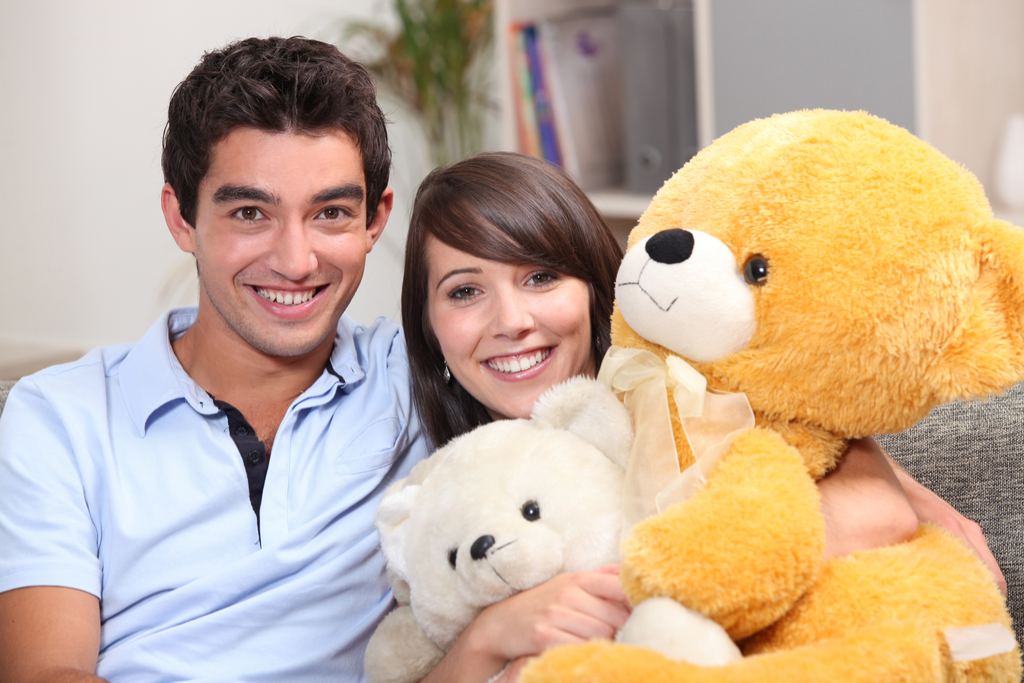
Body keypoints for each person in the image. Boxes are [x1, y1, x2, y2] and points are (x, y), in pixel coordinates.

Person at [400, 151, 1005, 683]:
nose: (512, 321)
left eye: (541, 277)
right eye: (464, 291)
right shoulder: (437, 490)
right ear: (428, 325)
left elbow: (877, 514)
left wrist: (623, 599)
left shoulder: (693, 384)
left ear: (594, 287)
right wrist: (489, 637)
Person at [0, 37, 429, 682]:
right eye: (250, 213)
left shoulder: (418, 376)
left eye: (331, 213)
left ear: (375, 219)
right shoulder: (60, 417)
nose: (296, 261)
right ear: (182, 218)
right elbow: (46, 674)